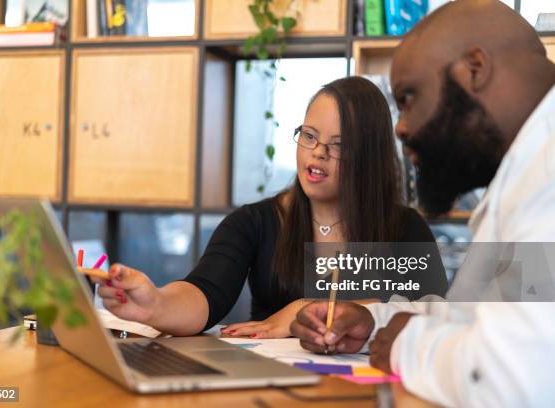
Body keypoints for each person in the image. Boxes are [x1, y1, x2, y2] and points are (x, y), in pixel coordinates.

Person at [290, 1, 555, 406]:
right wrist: (376, 323)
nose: (401, 128)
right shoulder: (529, 169)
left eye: (409, 97)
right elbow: (474, 315)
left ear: (475, 70)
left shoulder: (546, 174)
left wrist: (406, 345)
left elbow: (510, 380)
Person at [91, 76, 448, 338]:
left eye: (338, 145)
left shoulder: (405, 228)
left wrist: (304, 308)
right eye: (309, 136)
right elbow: (204, 293)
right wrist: (154, 304)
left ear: (370, 158)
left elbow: (435, 317)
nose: (317, 153)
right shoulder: (254, 222)